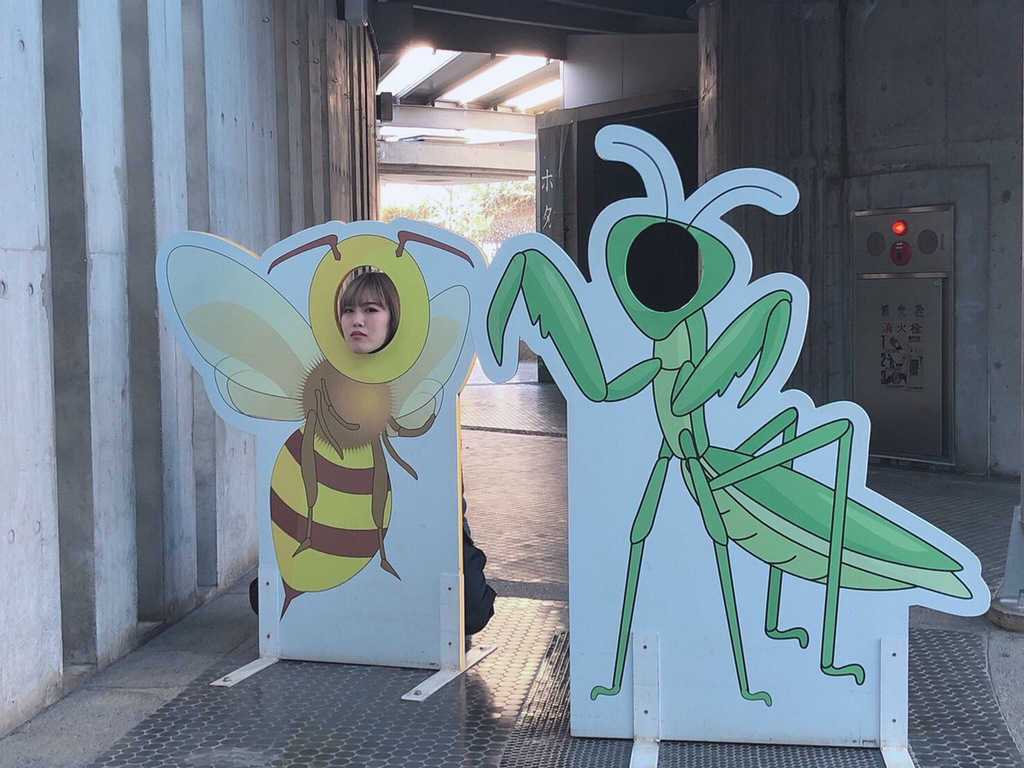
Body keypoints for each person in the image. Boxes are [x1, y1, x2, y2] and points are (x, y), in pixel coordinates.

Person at [252, 270, 495, 638]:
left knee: (472, 609)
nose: (357, 320)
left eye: (371, 309)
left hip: (415, 519)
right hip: (342, 520)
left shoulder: (422, 383)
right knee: (265, 598)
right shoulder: (321, 379)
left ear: (394, 317)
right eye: (348, 311)